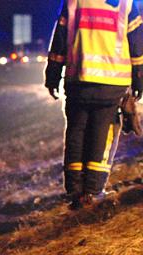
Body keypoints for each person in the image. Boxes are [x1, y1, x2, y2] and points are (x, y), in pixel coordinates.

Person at [45, 0, 143, 209]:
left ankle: (74, 191)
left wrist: (52, 75)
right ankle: (92, 192)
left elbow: (60, 39)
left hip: (78, 80)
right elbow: (136, 43)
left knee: (76, 134)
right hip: (113, 83)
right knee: (103, 135)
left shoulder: (74, 2)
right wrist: (139, 78)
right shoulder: (126, 3)